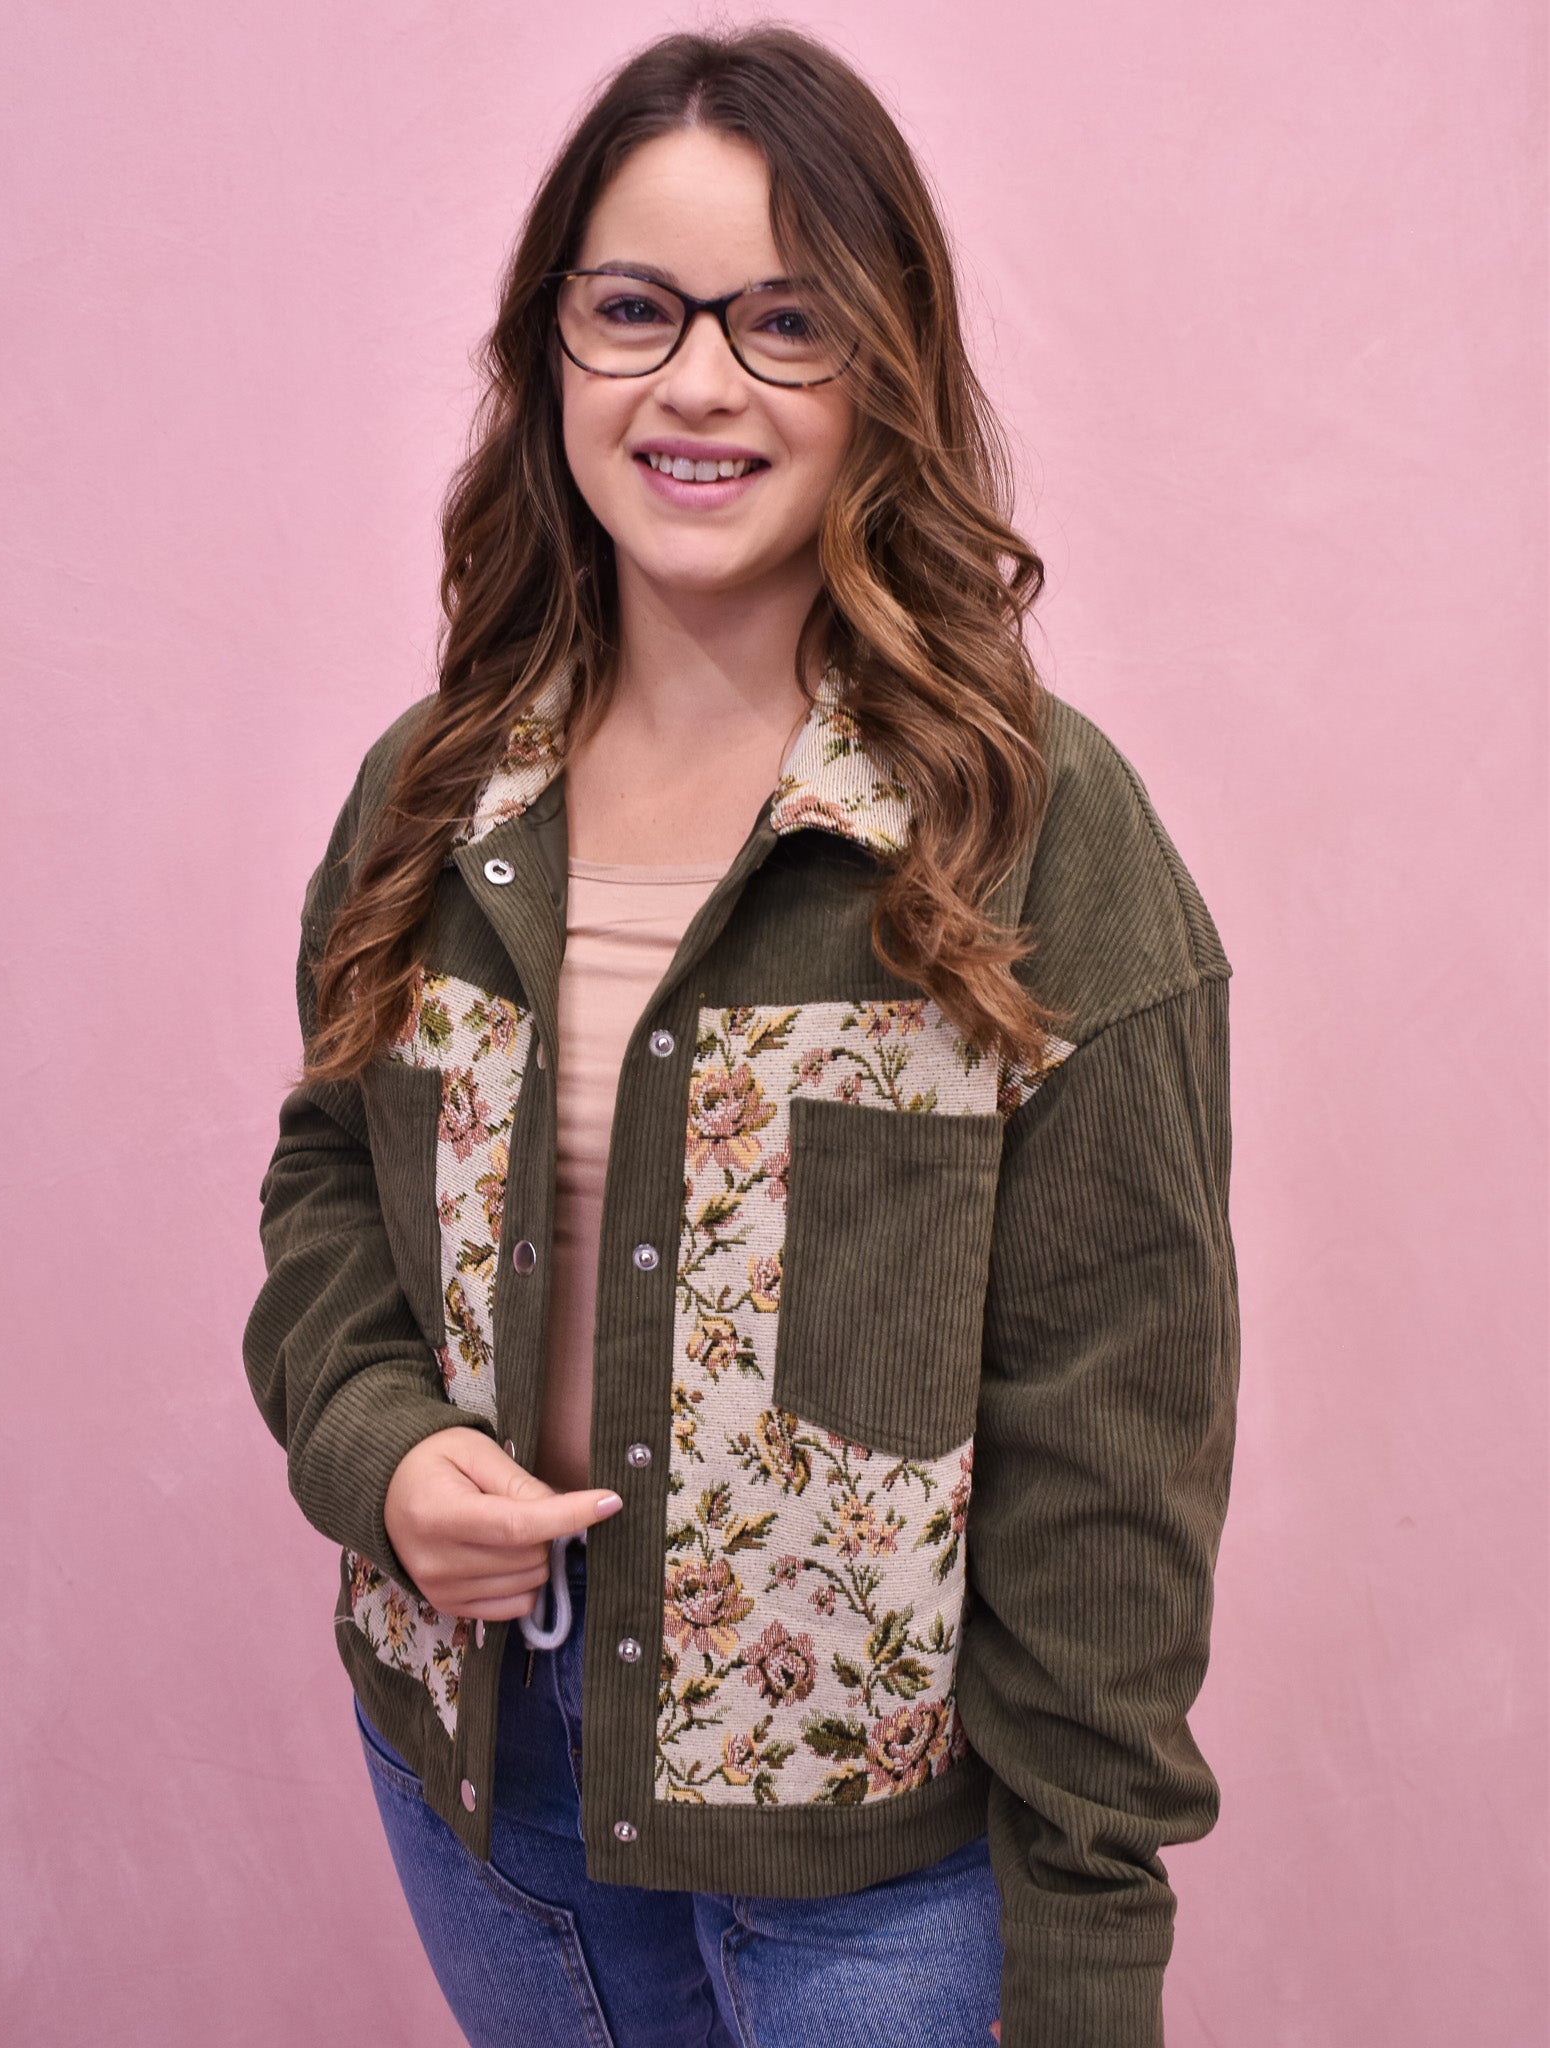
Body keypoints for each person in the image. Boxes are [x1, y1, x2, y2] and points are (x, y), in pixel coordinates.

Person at [243, 24, 1240, 2048]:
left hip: (890, 1891)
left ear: (884, 366)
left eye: (786, 322)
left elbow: (1113, 1439)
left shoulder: (1033, 834)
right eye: (637, 310)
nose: (699, 381)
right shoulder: (435, 799)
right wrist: (381, 1447)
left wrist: (1087, 1966)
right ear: (553, 350)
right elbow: (329, 1180)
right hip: (483, 1792)